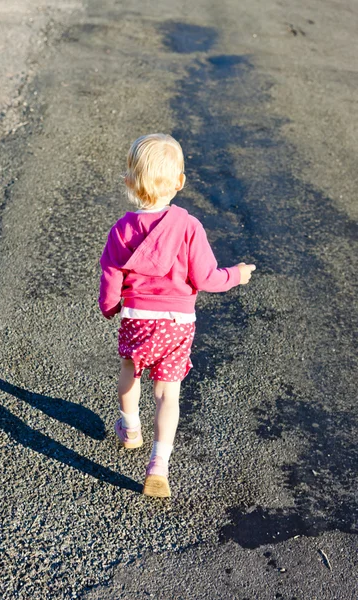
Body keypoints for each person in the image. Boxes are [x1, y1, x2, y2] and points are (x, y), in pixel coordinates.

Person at [99, 133, 255, 497]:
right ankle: (159, 463)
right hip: (177, 324)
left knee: (129, 370)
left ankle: (130, 428)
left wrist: (110, 306)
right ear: (180, 182)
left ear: (129, 181)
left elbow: (111, 273)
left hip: (138, 317)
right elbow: (206, 277)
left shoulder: (122, 229)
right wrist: (237, 275)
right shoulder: (189, 227)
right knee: (168, 392)